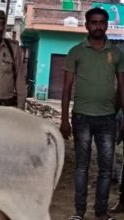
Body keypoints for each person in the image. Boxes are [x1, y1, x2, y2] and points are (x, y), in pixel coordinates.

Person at [60, 7, 124, 220]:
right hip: (81, 117)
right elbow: (67, 88)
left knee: (106, 169)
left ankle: (101, 212)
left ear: (107, 25)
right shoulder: (76, 52)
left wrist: (121, 114)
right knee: (81, 167)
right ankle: (78, 212)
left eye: (102, 22)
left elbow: (122, 87)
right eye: (94, 22)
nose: (98, 26)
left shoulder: (116, 53)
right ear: (87, 25)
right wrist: (64, 119)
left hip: (108, 119)